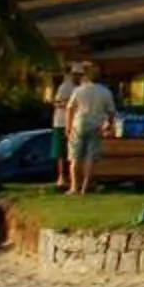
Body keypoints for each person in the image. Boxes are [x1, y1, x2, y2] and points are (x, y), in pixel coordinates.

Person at [62, 63, 118, 196]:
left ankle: (74, 186)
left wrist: (68, 127)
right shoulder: (105, 92)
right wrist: (108, 124)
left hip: (80, 123)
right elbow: (111, 112)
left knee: (75, 157)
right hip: (96, 125)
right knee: (90, 157)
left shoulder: (79, 90)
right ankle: (85, 187)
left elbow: (70, 109)